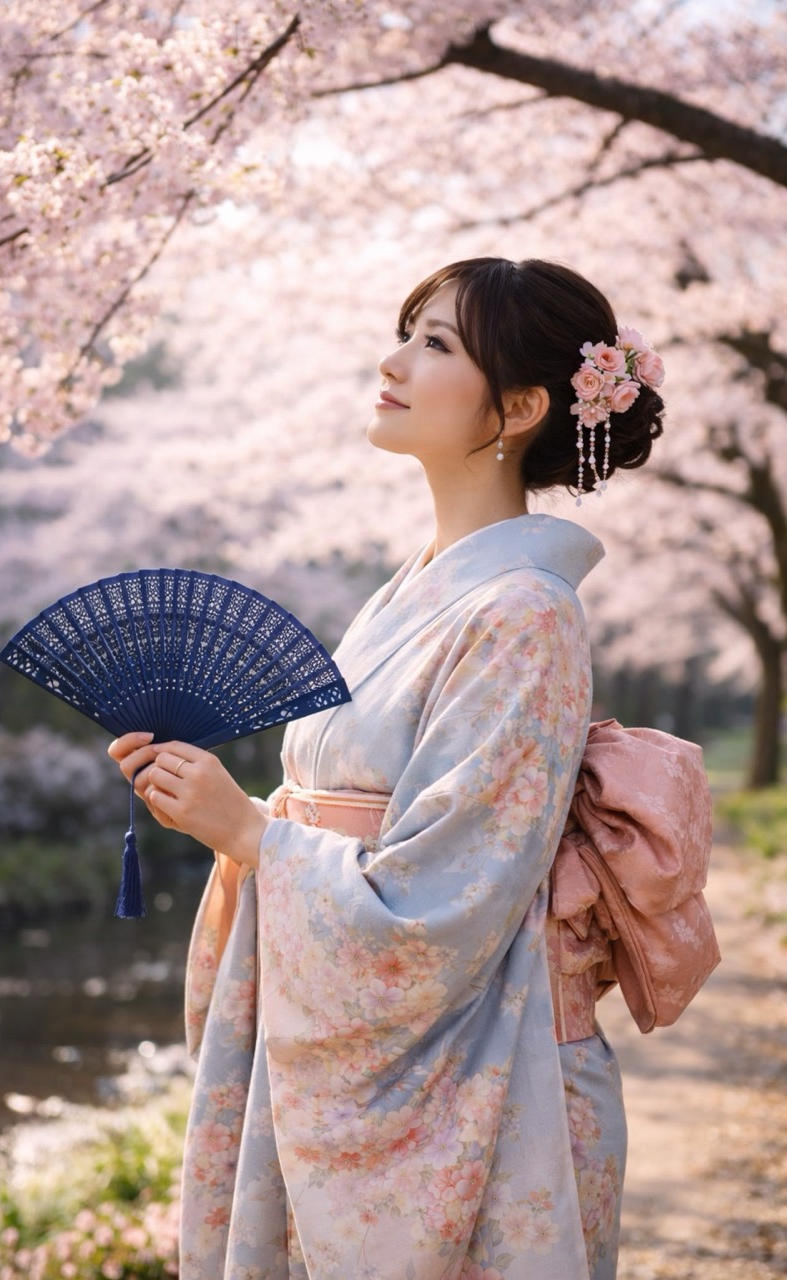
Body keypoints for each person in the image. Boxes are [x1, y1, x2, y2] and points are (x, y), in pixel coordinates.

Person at [109, 256, 665, 1280]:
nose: (392, 359)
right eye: (407, 330)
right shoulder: (419, 589)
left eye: (435, 343)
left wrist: (251, 834)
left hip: (491, 1067)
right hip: (354, 1020)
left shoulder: (524, 611)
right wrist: (217, 800)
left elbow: (451, 894)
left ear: (521, 406)